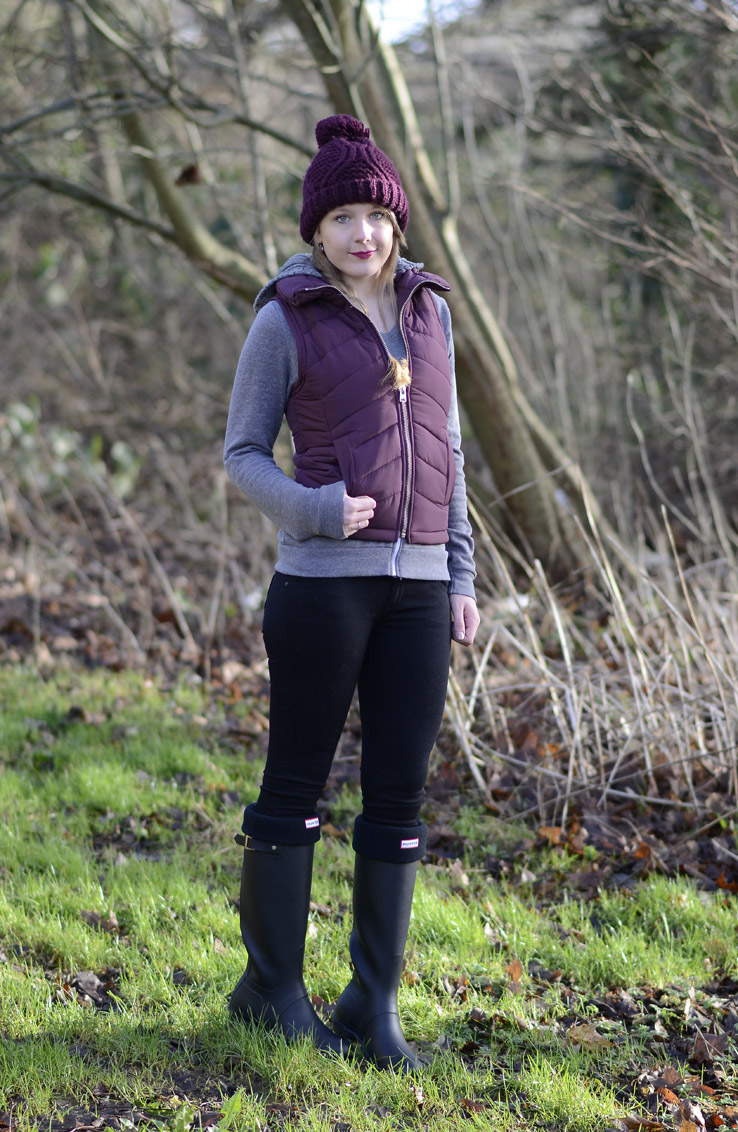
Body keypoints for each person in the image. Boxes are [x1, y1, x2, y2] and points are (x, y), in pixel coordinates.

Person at [223, 114, 479, 1072]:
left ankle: (373, 1005)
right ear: (315, 230)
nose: (362, 233)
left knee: (398, 801)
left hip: (418, 593)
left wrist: (458, 572)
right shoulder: (283, 315)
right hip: (322, 588)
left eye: (376, 214)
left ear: (396, 224)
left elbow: (451, 452)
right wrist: (318, 511)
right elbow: (241, 454)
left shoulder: (431, 312)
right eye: (343, 219)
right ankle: (271, 991)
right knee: (295, 786)